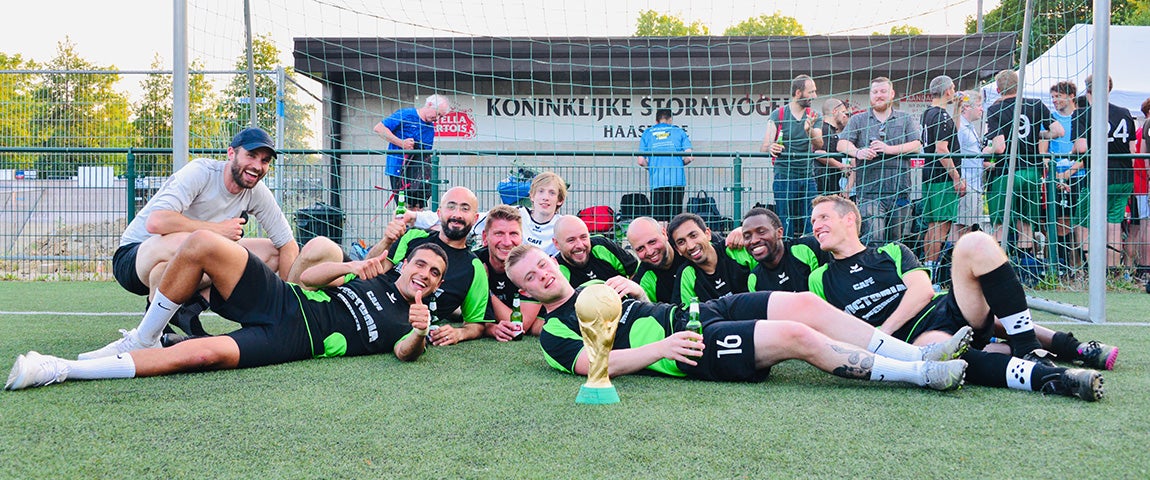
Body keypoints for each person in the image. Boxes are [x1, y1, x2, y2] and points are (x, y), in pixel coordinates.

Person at [5, 231, 446, 391]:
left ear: (437, 284)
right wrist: (350, 267)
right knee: (203, 243)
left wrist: (420, 333)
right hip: (283, 298)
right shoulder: (375, 275)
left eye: (434, 273)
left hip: (292, 340)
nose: (424, 274)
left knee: (200, 355)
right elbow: (308, 279)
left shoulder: (412, 320)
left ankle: (59, 369)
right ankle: (145, 336)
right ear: (406, 264)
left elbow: (404, 352)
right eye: (421, 264)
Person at [505, 244, 970, 391]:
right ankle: (919, 374)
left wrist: (635, 292)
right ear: (525, 291)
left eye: (542, 265)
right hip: (686, 350)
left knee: (802, 304)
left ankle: (918, 352)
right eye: (531, 277)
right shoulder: (553, 333)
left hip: (695, 312)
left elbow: (635, 310)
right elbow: (595, 365)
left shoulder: (593, 287)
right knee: (794, 335)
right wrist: (661, 348)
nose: (543, 274)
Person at [807, 195, 1109, 401]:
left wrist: (882, 332)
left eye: (823, 217)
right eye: (813, 221)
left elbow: (922, 292)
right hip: (914, 341)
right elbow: (833, 326)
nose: (816, 226)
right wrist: (887, 342)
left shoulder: (891, 251)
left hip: (947, 311)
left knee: (975, 242)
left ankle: (1047, 348)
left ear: (849, 219)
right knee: (940, 352)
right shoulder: (819, 278)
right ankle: (1055, 377)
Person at [112, 126, 298, 337]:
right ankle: (156, 325)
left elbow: (287, 244)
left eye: (265, 161)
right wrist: (218, 230)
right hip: (135, 258)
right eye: (251, 155)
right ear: (231, 153)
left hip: (175, 266)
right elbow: (156, 221)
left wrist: (290, 307)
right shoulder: (201, 172)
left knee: (272, 252)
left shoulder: (257, 192)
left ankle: (187, 310)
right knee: (194, 243)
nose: (257, 166)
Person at [345, 186, 489, 345]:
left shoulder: (474, 268)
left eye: (465, 208)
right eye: (451, 206)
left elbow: (476, 324)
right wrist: (386, 241)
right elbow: (369, 268)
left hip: (393, 327)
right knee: (327, 249)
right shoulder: (415, 236)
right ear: (439, 213)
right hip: (360, 298)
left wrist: (459, 333)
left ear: (475, 218)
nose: (457, 214)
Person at [984, 70, 1063, 262]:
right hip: (1031, 171)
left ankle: (999, 266)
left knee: (1000, 224)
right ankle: (1026, 267)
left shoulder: (995, 109)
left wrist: (986, 150)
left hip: (1006, 173)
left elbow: (1000, 147)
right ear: (1018, 86)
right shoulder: (1035, 104)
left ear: (998, 90)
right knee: (1026, 223)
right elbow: (1058, 131)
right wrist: (1037, 134)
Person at [837, 77, 923, 246]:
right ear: (870, 95)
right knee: (873, 239)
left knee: (896, 243)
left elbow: (916, 145)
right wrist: (858, 152)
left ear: (892, 94)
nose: (879, 95)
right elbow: (841, 143)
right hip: (869, 193)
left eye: (883, 91)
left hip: (900, 191)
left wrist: (888, 149)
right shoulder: (858, 120)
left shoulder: (905, 118)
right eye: (875, 92)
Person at [1077, 75, 1137, 270]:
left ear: (1088, 90)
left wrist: (1073, 151)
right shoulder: (1125, 112)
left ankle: (1091, 269)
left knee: (1083, 222)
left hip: (1098, 176)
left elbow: (1082, 147)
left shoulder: (1083, 114)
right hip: (1123, 175)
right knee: (1114, 223)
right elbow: (1133, 150)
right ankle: (1112, 270)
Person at [762, 74, 824, 237]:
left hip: (807, 175)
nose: (815, 96)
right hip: (784, 175)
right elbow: (764, 146)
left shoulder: (814, 115)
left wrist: (809, 130)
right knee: (784, 220)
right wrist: (771, 147)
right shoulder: (778, 114)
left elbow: (819, 144)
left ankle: (811, 248)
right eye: (811, 92)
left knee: (812, 218)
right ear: (798, 93)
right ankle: (786, 249)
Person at [920, 75, 967, 277]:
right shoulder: (940, 116)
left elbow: (952, 132)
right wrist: (956, 177)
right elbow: (941, 148)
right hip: (942, 178)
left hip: (930, 176)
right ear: (948, 91)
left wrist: (957, 109)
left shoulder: (928, 113)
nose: (954, 92)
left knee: (933, 226)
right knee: (940, 226)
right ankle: (932, 273)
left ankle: (928, 268)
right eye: (953, 88)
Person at [476, 205, 544, 341]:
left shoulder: (532, 265)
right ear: (485, 237)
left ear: (521, 237)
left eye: (513, 234)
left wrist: (484, 288)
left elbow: (520, 325)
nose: (507, 242)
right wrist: (489, 327)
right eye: (499, 234)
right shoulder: (474, 262)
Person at [375, 94, 451, 210]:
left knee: (418, 209)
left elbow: (426, 155)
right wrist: (401, 143)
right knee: (404, 208)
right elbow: (379, 128)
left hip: (418, 174)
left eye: (441, 116)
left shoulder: (430, 128)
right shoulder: (406, 114)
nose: (438, 118)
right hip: (398, 169)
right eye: (438, 114)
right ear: (429, 105)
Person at [668, 213, 756, 303]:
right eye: (681, 242)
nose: (690, 246)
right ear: (678, 250)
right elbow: (689, 310)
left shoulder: (735, 249)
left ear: (708, 234)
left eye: (693, 236)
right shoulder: (687, 274)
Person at [1049, 81, 1090, 271]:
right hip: (1057, 178)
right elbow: (1043, 151)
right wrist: (1056, 176)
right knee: (1060, 222)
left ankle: (1083, 266)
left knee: (1081, 222)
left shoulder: (1083, 116)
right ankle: (1065, 267)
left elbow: (1087, 152)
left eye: (1058, 96)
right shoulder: (1050, 119)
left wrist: (1068, 173)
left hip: (1079, 176)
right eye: (1053, 97)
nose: (1055, 100)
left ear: (1071, 96)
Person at [743, 207, 829, 293]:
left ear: (779, 233)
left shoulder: (808, 248)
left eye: (761, 232)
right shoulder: (754, 280)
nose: (754, 240)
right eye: (747, 236)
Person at [638, 108, 694, 222]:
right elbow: (690, 156)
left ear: (656, 120)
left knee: (660, 219)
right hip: (677, 180)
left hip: (657, 181)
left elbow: (640, 160)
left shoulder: (647, 133)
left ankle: (662, 234)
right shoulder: (679, 131)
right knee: (676, 219)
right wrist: (679, 164)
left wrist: (652, 168)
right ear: (670, 119)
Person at [552, 216, 638, 288]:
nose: (580, 245)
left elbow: (635, 271)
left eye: (583, 237)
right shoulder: (557, 271)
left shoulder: (602, 246)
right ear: (556, 244)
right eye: (571, 240)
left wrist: (632, 290)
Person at [954, 90, 989, 235]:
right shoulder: (961, 128)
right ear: (967, 107)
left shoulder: (970, 127)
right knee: (964, 226)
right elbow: (955, 153)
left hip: (975, 184)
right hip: (967, 183)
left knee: (971, 226)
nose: (981, 109)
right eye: (979, 105)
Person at [520, 171, 567, 256]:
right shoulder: (518, 215)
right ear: (532, 196)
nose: (545, 197)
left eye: (552, 193)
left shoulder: (563, 225)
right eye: (541, 191)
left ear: (560, 200)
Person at [814, 98, 852, 197]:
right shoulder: (824, 129)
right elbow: (819, 153)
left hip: (830, 182)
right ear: (835, 111)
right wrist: (841, 166)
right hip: (822, 182)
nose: (844, 116)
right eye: (843, 112)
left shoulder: (832, 131)